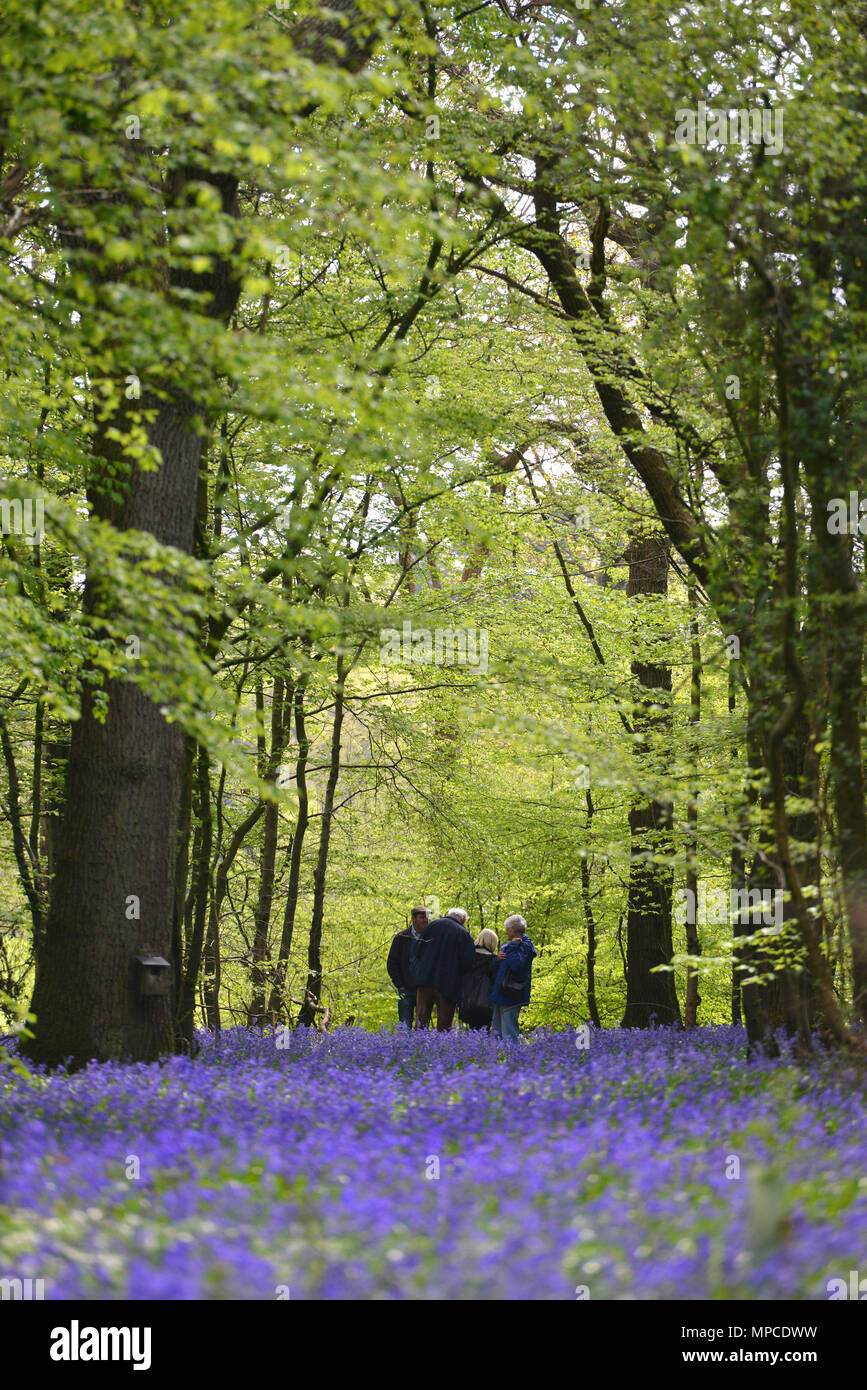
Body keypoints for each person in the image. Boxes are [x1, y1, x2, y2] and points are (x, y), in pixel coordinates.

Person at [412, 909, 475, 1031]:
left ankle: (416, 1046)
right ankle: (442, 1048)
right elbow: (468, 963)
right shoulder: (464, 934)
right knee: (444, 1023)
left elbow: (418, 951)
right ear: (462, 920)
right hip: (448, 984)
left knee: (421, 1018)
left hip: (425, 979)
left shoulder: (432, 926)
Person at [489, 914, 537, 1042]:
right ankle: (494, 1059)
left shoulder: (524, 946)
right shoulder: (512, 946)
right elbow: (500, 967)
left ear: (513, 929)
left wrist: (512, 947)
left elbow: (516, 965)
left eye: (507, 929)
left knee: (509, 1032)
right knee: (496, 1031)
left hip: (511, 994)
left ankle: (513, 1059)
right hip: (502, 992)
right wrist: (497, 959)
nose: (505, 932)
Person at [387, 906, 429, 1027]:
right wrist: (400, 984)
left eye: (426, 917)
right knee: (405, 1025)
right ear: (413, 919)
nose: (426, 920)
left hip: (425, 989)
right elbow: (392, 963)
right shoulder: (401, 938)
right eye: (422, 917)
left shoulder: (431, 938)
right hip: (406, 989)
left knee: (423, 1027)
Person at [459, 928, 499, 1031]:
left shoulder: (468, 955)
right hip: (485, 1004)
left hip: (466, 1001)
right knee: (484, 1032)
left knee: (473, 1031)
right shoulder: (493, 960)